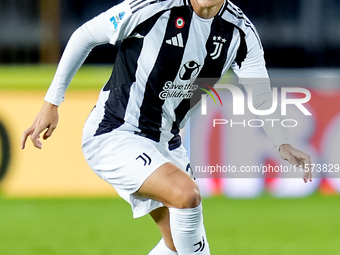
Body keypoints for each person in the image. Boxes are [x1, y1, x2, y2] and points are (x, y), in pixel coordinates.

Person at [21, 0, 312, 254]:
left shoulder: (240, 33)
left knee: (177, 244)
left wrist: (281, 142)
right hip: (115, 133)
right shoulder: (152, 7)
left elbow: (260, 94)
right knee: (186, 195)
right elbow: (85, 35)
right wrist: (52, 102)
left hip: (167, 144)